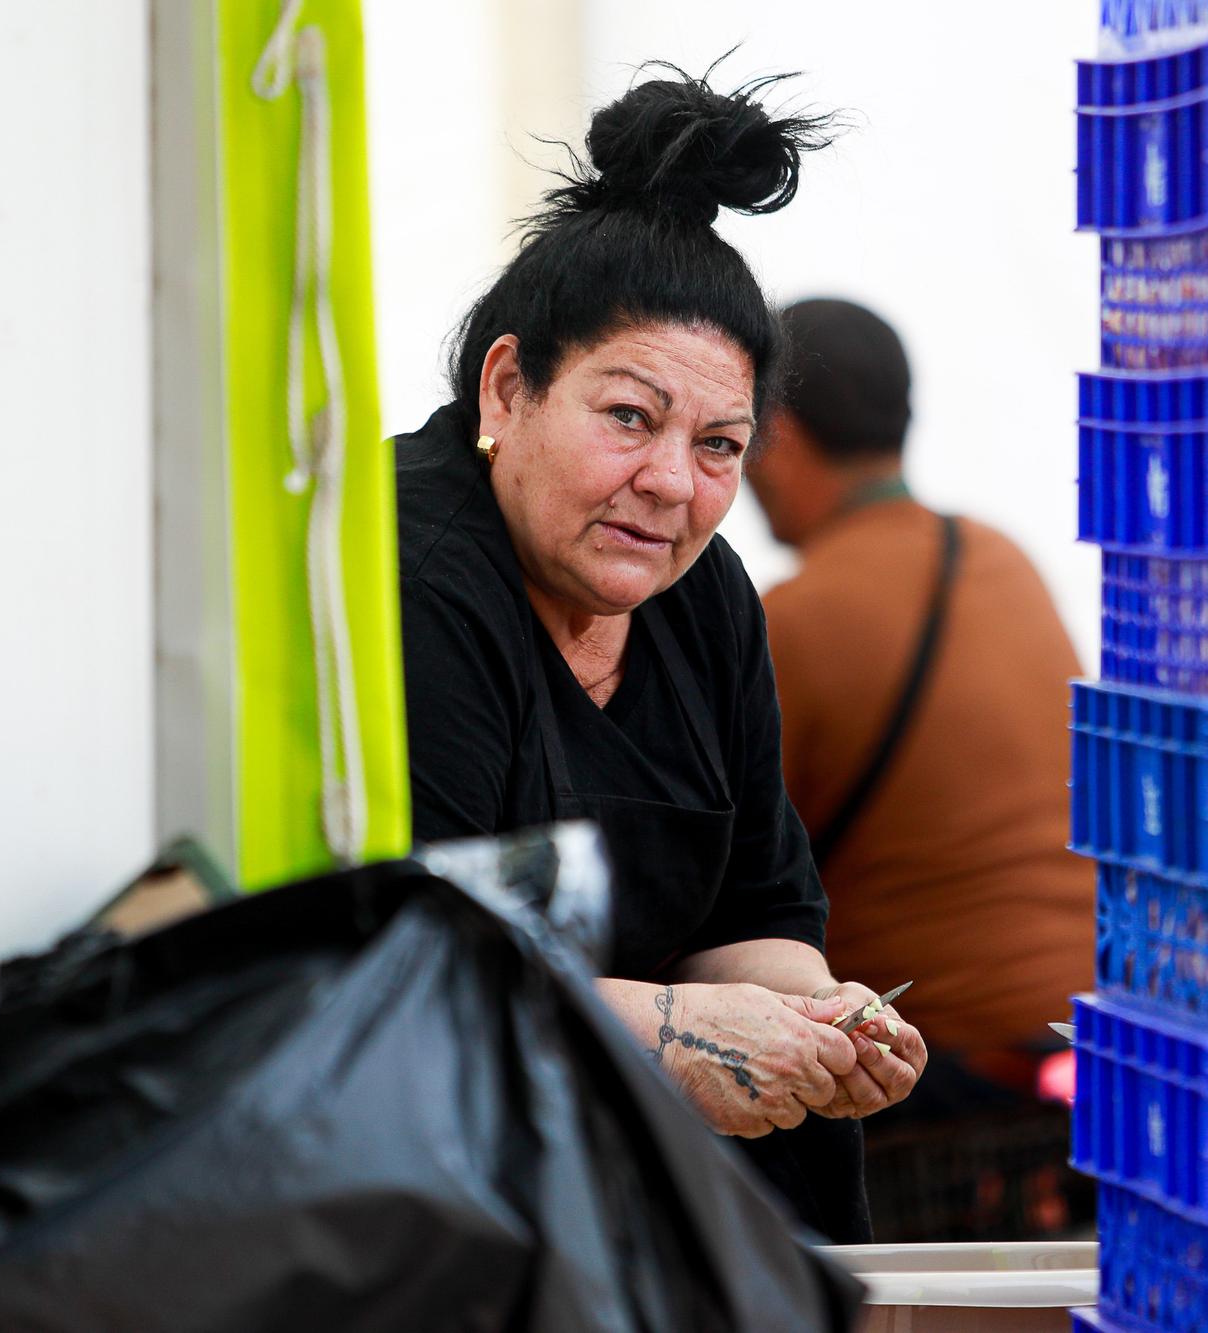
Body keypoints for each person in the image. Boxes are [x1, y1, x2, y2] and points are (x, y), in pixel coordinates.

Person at [393, 72, 926, 1245]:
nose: (673, 485)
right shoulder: (418, 569)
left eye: (720, 445)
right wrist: (681, 1029)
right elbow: (429, 977)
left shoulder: (701, 593)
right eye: (627, 417)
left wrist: (822, 1019)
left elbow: (755, 902)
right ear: (506, 385)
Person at [747, 298, 1091, 1114]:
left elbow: (730, 867)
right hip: (1087, 1025)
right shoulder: (1000, 555)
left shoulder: (793, 617)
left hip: (945, 1067)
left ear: (783, 435)